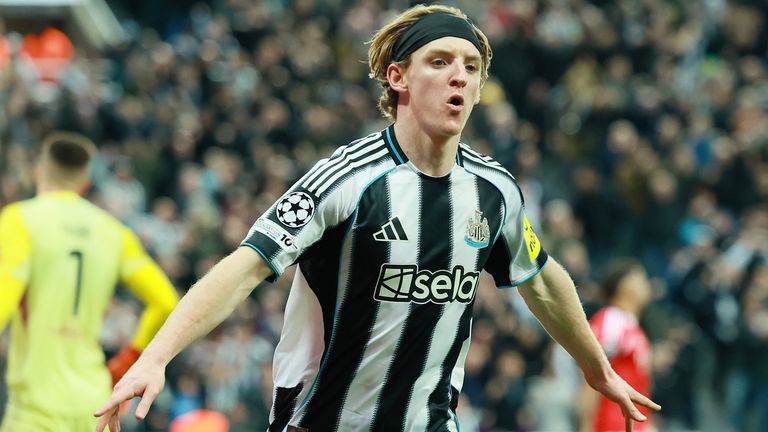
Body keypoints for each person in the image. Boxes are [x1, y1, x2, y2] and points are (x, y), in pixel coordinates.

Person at [95, 4, 660, 431]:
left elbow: (542, 279)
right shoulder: (346, 178)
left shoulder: (494, 192)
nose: (459, 76)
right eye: (439, 62)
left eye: (471, 67)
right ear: (398, 78)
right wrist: (156, 357)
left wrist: (596, 367)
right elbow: (245, 267)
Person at [0, 131, 179, 431]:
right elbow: (166, 302)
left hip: (34, 407)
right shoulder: (114, 232)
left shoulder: (19, 220)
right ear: (84, 182)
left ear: (39, 171)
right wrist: (129, 357)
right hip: (94, 406)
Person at [579, 259, 654, 432]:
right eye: (641, 278)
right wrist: (585, 426)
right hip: (611, 426)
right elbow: (592, 374)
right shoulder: (612, 320)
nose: (646, 284)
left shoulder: (632, 326)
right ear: (625, 286)